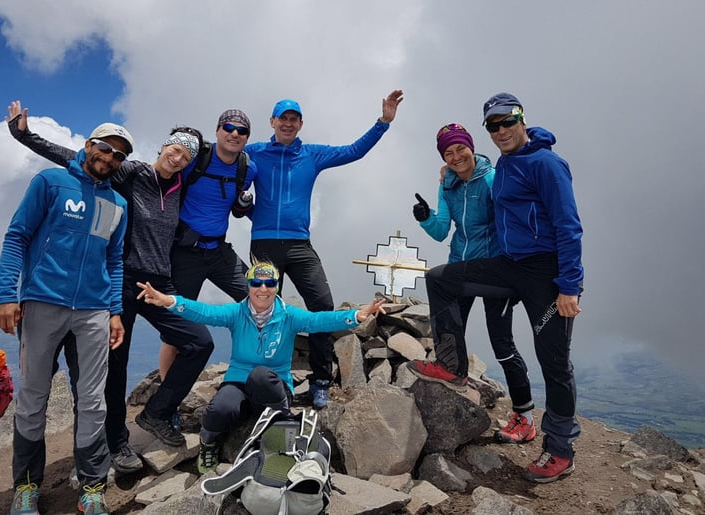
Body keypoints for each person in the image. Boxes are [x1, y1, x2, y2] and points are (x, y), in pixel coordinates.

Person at [7, 101, 213, 465]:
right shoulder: (131, 172)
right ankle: (116, 443)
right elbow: (83, 159)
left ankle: (156, 413)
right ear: (164, 147)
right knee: (115, 366)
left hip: (160, 282)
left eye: (186, 156)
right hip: (124, 279)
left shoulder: (182, 187)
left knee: (198, 341)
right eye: (175, 149)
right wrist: (25, 136)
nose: (178, 158)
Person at [424, 93, 583, 483]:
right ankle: (451, 365)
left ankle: (560, 450)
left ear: (521, 120)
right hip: (508, 265)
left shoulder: (546, 163)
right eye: (492, 126)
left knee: (555, 362)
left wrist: (570, 286)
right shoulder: (506, 165)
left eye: (506, 122)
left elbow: (568, 224)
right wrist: (448, 182)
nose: (500, 131)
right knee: (440, 278)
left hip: (545, 274)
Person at [0, 121, 132, 515]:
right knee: (33, 398)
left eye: (119, 155)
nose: (110, 158)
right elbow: (17, 236)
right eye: (105, 148)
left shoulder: (118, 205)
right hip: (42, 303)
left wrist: (115, 312)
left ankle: (92, 489)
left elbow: (113, 259)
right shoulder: (50, 182)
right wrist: (8, 295)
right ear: (89, 144)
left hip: (93, 312)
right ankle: (26, 488)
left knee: (93, 401)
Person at [136, 262, 386, 473]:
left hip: (273, 384)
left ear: (276, 287)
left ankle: (280, 425)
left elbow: (318, 320)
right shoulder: (236, 312)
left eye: (269, 284)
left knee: (260, 376)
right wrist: (169, 301)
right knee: (219, 409)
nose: (263, 289)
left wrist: (355, 316)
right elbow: (204, 312)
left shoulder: (288, 315)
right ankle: (209, 443)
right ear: (249, 286)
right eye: (256, 283)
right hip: (238, 381)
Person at [243, 90, 403, 408]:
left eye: (293, 119)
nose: (288, 124)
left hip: (299, 243)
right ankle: (259, 381)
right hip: (264, 243)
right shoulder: (254, 153)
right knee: (261, 311)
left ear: (300, 123)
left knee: (323, 306)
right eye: (282, 118)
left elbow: (353, 151)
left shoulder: (312, 154)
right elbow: (233, 181)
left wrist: (383, 122)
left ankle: (319, 381)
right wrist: (246, 207)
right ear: (272, 121)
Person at [409, 125, 535, 439]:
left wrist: (519, 271)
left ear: (472, 148)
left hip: (493, 270)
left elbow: (512, 222)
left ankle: (525, 419)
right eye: (448, 153)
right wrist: (425, 218)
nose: (456, 157)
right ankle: (453, 374)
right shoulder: (448, 185)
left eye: (460, 149)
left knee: (502, 345)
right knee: (450, 331)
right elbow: (441, 231)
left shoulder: (492, 179)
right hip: (460, 267)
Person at [170, 109, 258, 303]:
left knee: (260, 297)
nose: (234, 134)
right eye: (228, 127)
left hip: (219, 252)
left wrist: (243, 205)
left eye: (241, 131)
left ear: (246, 138)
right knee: (181, 318)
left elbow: (236, 211)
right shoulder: (196, 159)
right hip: (185, 253)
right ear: (217, 131)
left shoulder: (248, 169)